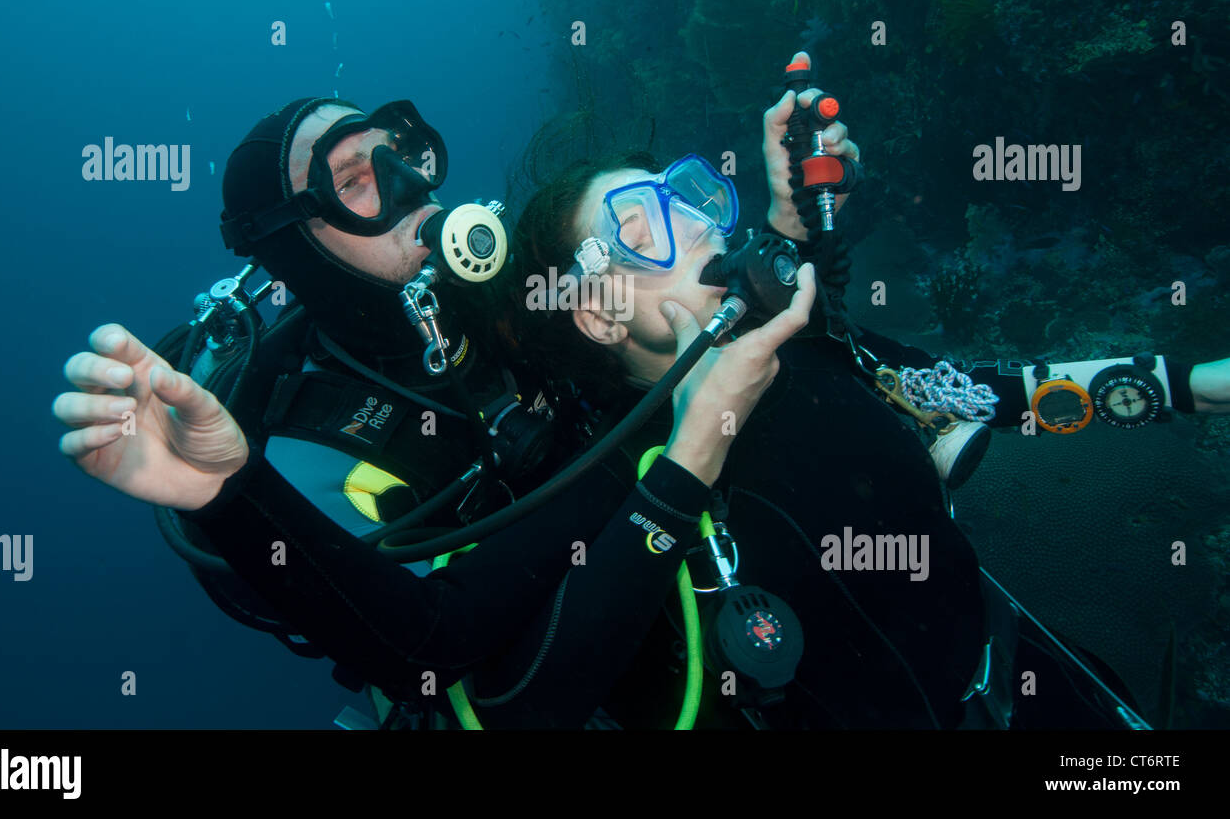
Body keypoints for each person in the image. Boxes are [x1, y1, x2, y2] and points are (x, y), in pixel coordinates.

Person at [480, 60, 1230, 729]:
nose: (698, 224)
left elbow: (995, 393)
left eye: (687, 198)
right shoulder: (623, 489)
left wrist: (1195, 387)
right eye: (643, 229)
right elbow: (528, 700)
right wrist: (687, 466)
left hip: (1026, 684)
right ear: (598, 313)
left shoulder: (818, 353)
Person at [52, 95, 807, 726]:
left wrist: (778, 253)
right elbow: (431, 650)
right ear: (297, 248)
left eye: (399, 152)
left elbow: (662, 312)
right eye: (354, 179)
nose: (406, 181)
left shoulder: (497, 283)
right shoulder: (315, 443)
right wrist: (231, 493)